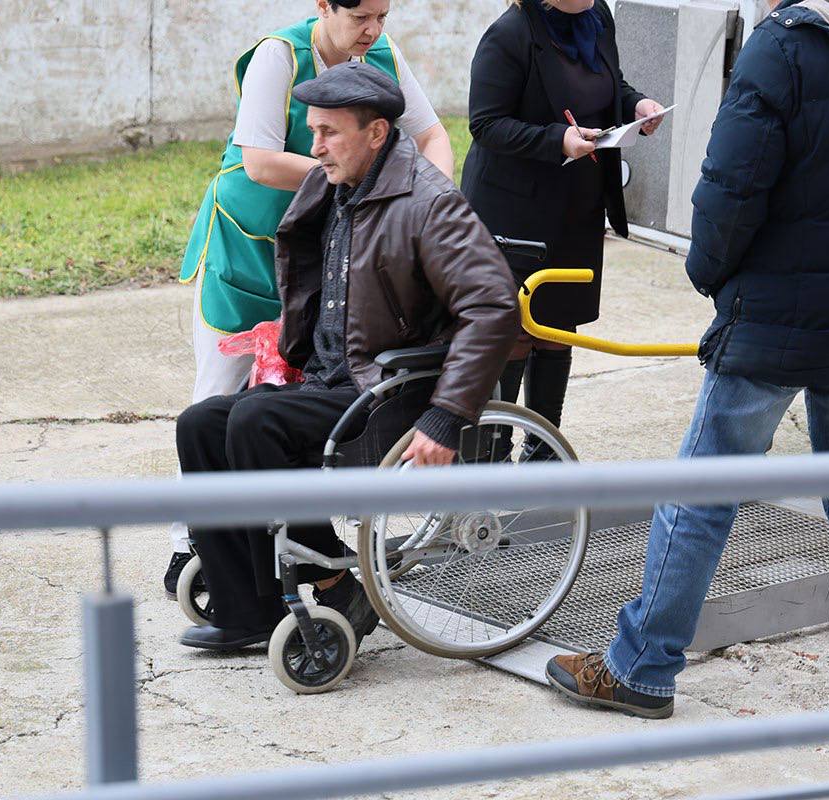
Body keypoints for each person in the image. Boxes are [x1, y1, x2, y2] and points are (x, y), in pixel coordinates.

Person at [546, 0, 829, 719]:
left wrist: (709, 274)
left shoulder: (784, 46)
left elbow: (730, 188)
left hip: (778, 314)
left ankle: (640, 669)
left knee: (704, 490)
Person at [174, 63, 520, 651]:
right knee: (201, 423)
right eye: (313, 131)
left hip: (391, 392)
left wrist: (446, 416)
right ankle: (247, 610)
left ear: (377, 132)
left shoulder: (430, 203)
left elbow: (492, 306)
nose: (315, 148)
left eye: (329, 133)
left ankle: (334, 581)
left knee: (256, 421)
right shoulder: (332, 183)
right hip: (333, 379)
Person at [164, 0, 455, 599]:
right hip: (251, 247)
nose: (373, 29)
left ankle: (288, 560)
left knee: (273, 406)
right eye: (361, 16)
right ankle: (189, 540)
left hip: (325, 250)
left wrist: (431, 201)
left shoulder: (381, 53)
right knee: (217, 397)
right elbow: (260, 162)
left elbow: (432, 136)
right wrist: (367, 178)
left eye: (382, 15)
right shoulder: (281, 56)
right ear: (324, 5)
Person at [462, 0, 665, 435]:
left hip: (577, 204)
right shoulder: (510, 34)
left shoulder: (597, 17)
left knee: (558, 324)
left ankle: (544, 450)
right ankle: (494, 452)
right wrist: (558, 140)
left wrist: (636, 105)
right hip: (515, 213)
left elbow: (609, 84)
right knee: (516, 330)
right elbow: (485, 124)